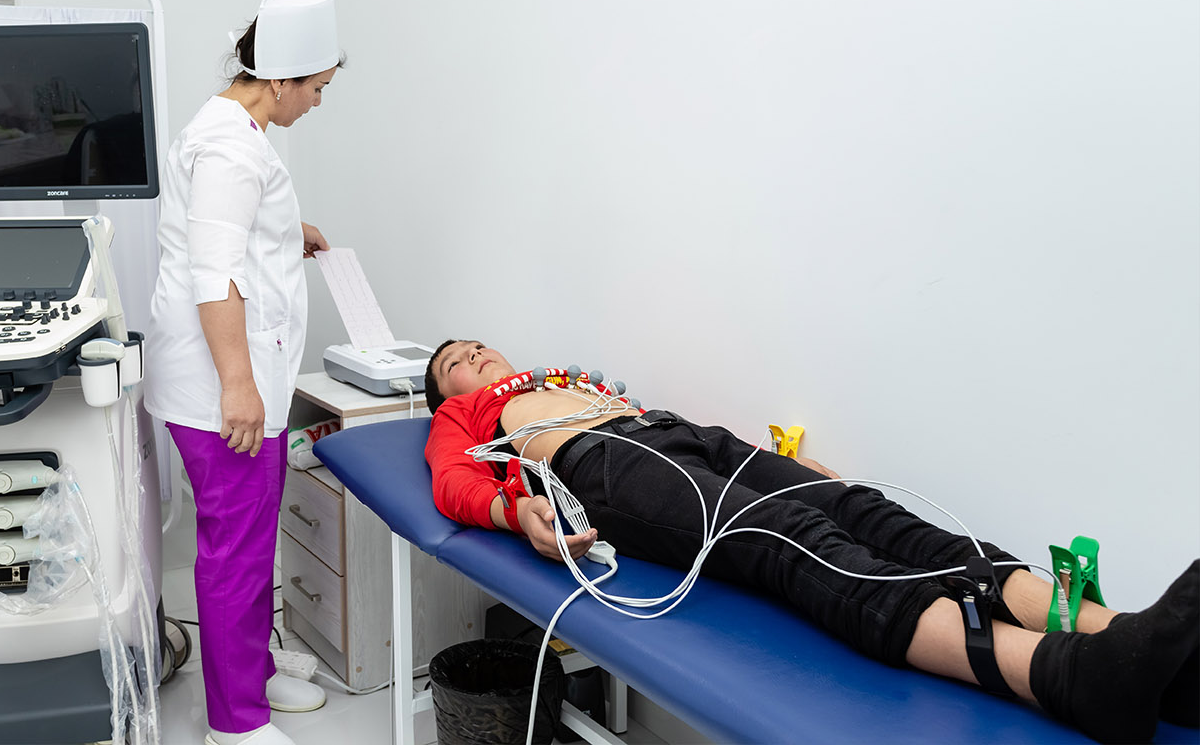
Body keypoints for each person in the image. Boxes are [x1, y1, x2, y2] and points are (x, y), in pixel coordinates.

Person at [423, 340, 1199, 745]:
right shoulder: (468, 417)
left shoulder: (565, 376)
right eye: (454, 362)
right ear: (445, 395)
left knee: (865, 510)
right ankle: (1064, 675)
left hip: (680, 435)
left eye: (477, 345)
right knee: (792, 539)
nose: (473, 354)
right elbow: (451, 482)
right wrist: (513, 513)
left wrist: (783, 462)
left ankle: (1121, 641)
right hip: (602, 464)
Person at [144, 0, 344, 745]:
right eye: (316, 89)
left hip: (233, 376)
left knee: (252, 543)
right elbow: (215, 274)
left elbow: (226, 230)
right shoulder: (230, 147)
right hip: (220, 387)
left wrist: (289, 231)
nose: (317, 103)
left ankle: (252, 672)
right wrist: (238, 387)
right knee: (235, 553)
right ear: (281, 80)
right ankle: (235, 724)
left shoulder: (235, 129)